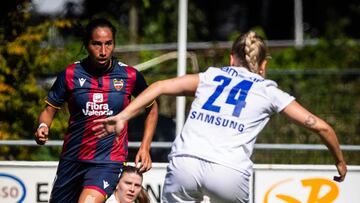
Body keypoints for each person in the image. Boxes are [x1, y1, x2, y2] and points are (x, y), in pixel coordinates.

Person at [93, 31, 347, 202]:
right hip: (229, 170)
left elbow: (159, 86)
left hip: (186, 162)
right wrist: (339, 161)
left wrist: (124, 115)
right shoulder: (269, 91)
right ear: (263, 66)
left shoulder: (211, 76)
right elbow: (321, 127)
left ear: (231, 58)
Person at [34, 18, 158, 203]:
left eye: (108, 44)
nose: (103, 51)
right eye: (96, 44)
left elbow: (152, 106)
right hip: (72, 158)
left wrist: (145, 146)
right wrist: (43, 126)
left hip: (108, 161)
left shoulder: (129, 76)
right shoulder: (70, 74)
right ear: (86, 44)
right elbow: (49, 110)